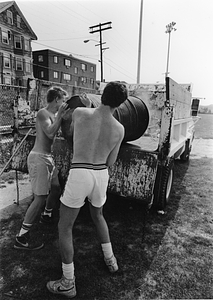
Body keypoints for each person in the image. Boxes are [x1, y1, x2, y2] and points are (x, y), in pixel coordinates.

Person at [46, 82, 128, 298]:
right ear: (120, 104)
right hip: (101, 174)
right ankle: (111, 261)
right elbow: (111, 162)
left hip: (81, 171)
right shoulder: (120, 129)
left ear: (102, 95)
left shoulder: (81, 112)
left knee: (65, 226)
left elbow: (69, 134)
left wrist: (79, 110)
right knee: (98, 216)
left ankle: (68, 282)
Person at [14, 86, 69, 250]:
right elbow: (50, 133)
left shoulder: (54, 115)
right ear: (57, 99)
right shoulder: (43, 113)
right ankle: (21, 237)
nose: (64, 103)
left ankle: (46, 214)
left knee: (56, 189)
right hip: (39, 158)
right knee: (40, 198)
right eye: (63, 100)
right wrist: (60, 117)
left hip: (48, 158)